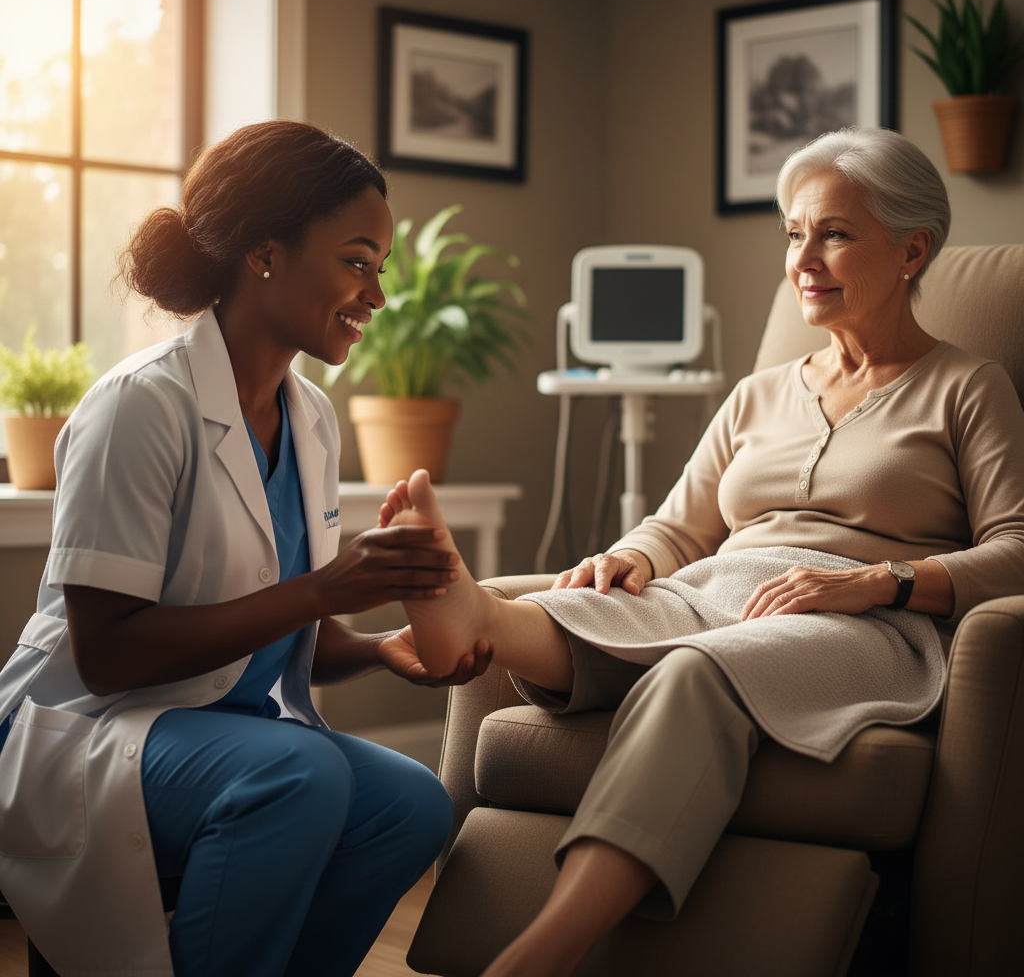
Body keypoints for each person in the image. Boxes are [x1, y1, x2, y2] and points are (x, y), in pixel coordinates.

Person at [375, 127, 1024, 977]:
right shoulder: (758, 394)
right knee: (574, 609)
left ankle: (542, 954)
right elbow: (678, 529)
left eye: (833, 233)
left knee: (694, 669)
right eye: (794, 234)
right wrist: (632, 559)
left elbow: (1017, 546)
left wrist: (882, 582)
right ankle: (477, 616)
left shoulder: (967, 387)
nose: (803, 258)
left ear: (913, 250)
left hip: (857, 623)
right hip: (716, 592)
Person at [0, 120, 490, 977]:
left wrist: (377, 649)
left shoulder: (310, 419)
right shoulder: (138, 408)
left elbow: (274, 641)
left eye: (379, 269)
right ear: (265, 253)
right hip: (81, 728)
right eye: (357, 261)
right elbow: (107, 653)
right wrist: (322, 592)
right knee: (300, 776)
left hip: (223, 730)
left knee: (410, 805)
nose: (377, 296)